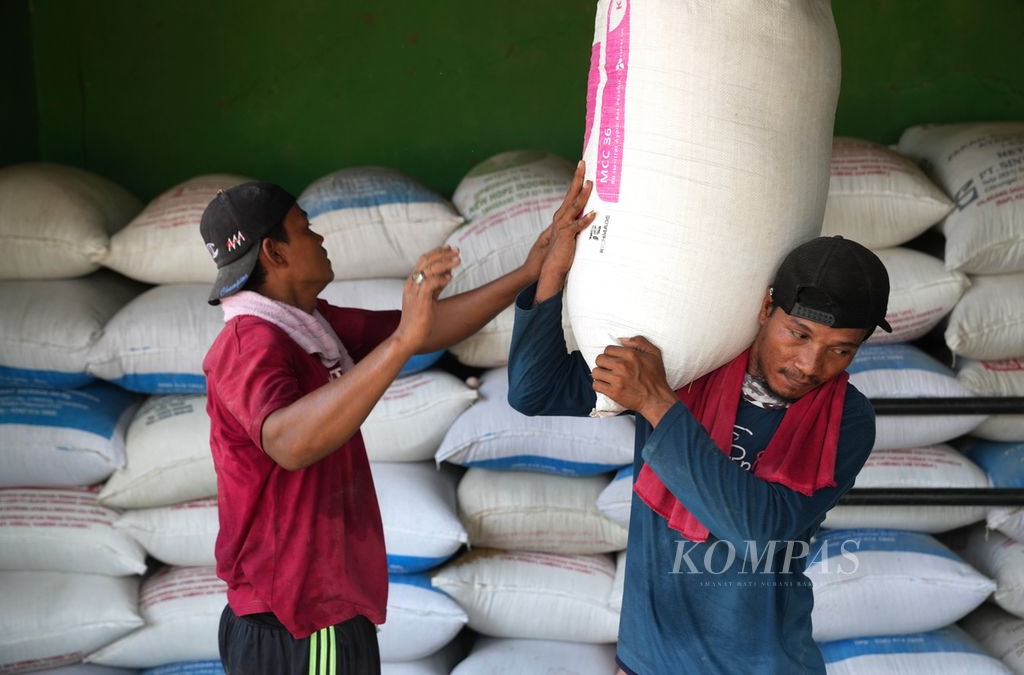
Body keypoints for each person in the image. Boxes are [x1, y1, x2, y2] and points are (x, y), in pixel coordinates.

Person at [507, 162, 891, 674]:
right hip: (649, 662)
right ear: (764, 309)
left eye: (840, 351)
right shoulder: (689, 363)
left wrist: (658, 405)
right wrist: (551, 274)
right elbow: (536, 391)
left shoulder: (848, 418)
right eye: (798, 334)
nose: (810, 365)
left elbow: (760, 531)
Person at [200, 180, 551, 674]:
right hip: (301, 620)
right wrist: (404, 341)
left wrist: (527, 274)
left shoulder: (307, 326)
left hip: (315, 616)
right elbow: (289, 442)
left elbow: (426, 328)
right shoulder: (250, 343)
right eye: (306, 229)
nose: (319, 239)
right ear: (274, 253)